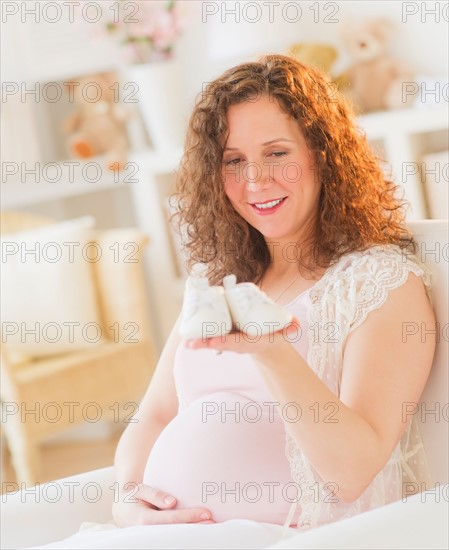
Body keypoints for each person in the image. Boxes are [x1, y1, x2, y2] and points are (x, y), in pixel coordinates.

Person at [33, 53, 436, 549]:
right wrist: (127, 499)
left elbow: (351, 471)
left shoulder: (380, 282)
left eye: (277, 153)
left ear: (323, 154)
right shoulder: (221, 278)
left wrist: (271, 350)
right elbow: (156, 413)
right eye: (234, 160)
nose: (255, 180)